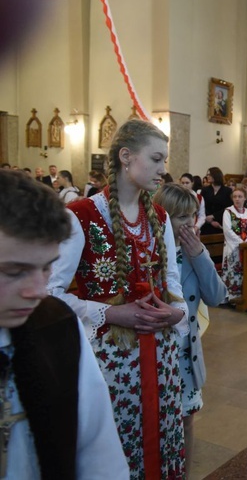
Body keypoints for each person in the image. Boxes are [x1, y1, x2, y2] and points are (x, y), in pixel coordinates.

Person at [48, 119, 190, 478]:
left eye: (165, 160)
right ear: (126, 157)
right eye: (156, 158)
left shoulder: (158, 215)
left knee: (162, 440)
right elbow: (49, 294)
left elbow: (173, 282)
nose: (164, 168)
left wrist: (176, 313)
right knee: (118, 445)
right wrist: (111, 314)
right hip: (111, 359)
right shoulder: (80, 215)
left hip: (162, 358)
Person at [0, 170, 129, 479]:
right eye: (15, 271)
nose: (37, 291)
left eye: (46, 268)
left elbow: (99, 453)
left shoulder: (56, 324)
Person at [153, 183, 227, 476]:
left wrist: (200, 255)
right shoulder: (150, 255)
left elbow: (217, 296)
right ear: (162, 218)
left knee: (186, 419)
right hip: (158, 350)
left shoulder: (193, 253)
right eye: (181, 217)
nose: (189, 224)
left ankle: (182, 473)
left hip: (185, 352)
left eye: (192, 215)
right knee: (155, 422)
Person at [221, 187, 247, 302]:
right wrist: (240, 242)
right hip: (232, 246)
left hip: (245, 247)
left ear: (245, 198)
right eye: (235, 197)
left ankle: (243, 295)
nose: (237, 199)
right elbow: (227, 230)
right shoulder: (228, 211)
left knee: (244, 270)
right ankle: (230, 296)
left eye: (240, 196)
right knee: (232, 270)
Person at [201, 166, 233, 235]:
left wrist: (214, 216)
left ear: (216, 175)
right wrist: (210, 221)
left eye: (210, 175)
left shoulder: (227, 191)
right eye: (207, 175)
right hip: (207, 222)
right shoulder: (205, 190)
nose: (207, 177)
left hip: (221, 221)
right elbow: (201, 206)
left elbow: (229, 207)